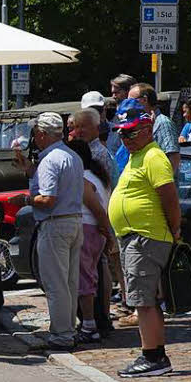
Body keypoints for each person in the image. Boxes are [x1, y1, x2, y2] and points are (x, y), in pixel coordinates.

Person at [108, 98, 181, 377]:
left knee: (143, 301)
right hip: (134, 237)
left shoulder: (153, 156)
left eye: (130, 131)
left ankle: (152, 357)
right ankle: (154, 354)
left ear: (148, 128)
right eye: (121, 132)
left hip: (146, 237)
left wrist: (174, 229)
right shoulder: (136, 156)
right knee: (144, 299)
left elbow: (169, 195)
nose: (125, 137)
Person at [11, 112, 93, 351]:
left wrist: (24, 200)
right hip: (74, 221)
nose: (34, 137)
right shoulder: (72, 156)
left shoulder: (49, 160)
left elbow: (47, 198)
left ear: (42, 134)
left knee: (55, 283)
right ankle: (67, 329)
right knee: (68, 282)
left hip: (55, 223)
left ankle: (61, 334)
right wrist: (29, 169)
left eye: (36, 133)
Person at [67, 138, 115, 343]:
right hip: (97, 231)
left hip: (88, 228)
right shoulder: (98, 176)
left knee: (85, 279)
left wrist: (106, 229)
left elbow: (95, 207)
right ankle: (101, 318)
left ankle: (89, 324)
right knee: (97, 275)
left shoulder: (83, 179)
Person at [128, 83, 180, 171]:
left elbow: (173, 158)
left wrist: (163, 182)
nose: (128, 105)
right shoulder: (141, 123)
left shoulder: (163, 123)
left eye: (131, 101)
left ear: (144, 100)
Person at [69, 108, 118, 187]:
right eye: (77, 126)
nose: (79, 130)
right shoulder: (81, 151)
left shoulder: (99, 153)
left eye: (84, 126)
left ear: (97, 128)